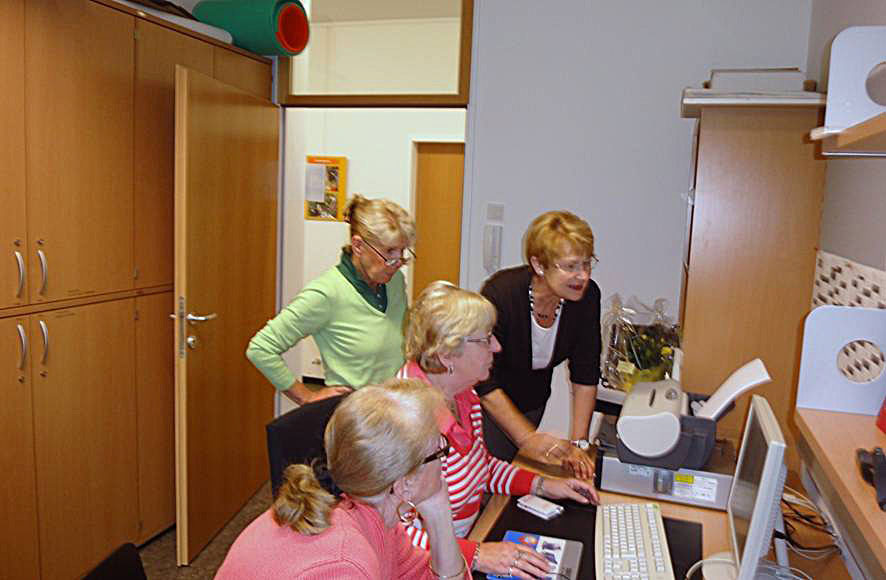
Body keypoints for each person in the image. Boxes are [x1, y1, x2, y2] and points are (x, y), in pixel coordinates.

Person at [397, 281, 599, 579]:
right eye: (485, 339)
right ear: (447, 354)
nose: (497, 347)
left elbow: (482, 468)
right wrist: (477, 554)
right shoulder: (405, 419)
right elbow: (395, 536)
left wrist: (542, 485)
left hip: (465, 548)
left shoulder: (464, 394)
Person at [216, 379, 469, 579]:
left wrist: (438, 513)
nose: (444, 455)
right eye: (440, 449)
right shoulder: (343, 565)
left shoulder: (373, 510)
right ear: (404, 483)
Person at [246, 195, 416, 404]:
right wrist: (307, 397)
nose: (398, 262)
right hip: (356, 414)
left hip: (395, 407)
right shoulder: (326, 294)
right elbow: (261, 348)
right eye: (389, 252)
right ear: (358, 246)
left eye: (402, 252)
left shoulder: (394, 281)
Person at [476, 211, 601, 476]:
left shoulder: (587, 298)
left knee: (514, 477)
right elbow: (484, 380)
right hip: (487, 404)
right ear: (539, 265)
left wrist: (579, 444)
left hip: (533, 401)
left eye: (586, 264)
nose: (582, 276)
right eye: (570, 266)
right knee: (486, 479)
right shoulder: (502, 293)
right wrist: (526, 438)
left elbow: (585, 373)